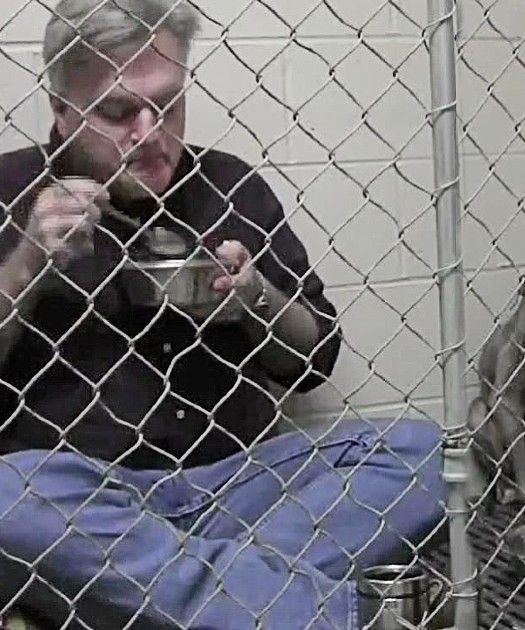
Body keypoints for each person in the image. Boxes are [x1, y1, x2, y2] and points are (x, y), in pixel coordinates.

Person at [0, 1, 444, 628]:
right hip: (75, 501)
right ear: (62, 111)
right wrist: (27, 265)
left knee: (423, 451)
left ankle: (165, 601)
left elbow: (314, 360)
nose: (151, 132)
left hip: (239, 487)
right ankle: (315, 610)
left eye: (170, 103)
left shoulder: (231, 184)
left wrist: (255, 299)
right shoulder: (9, 189)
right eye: (118, 111)